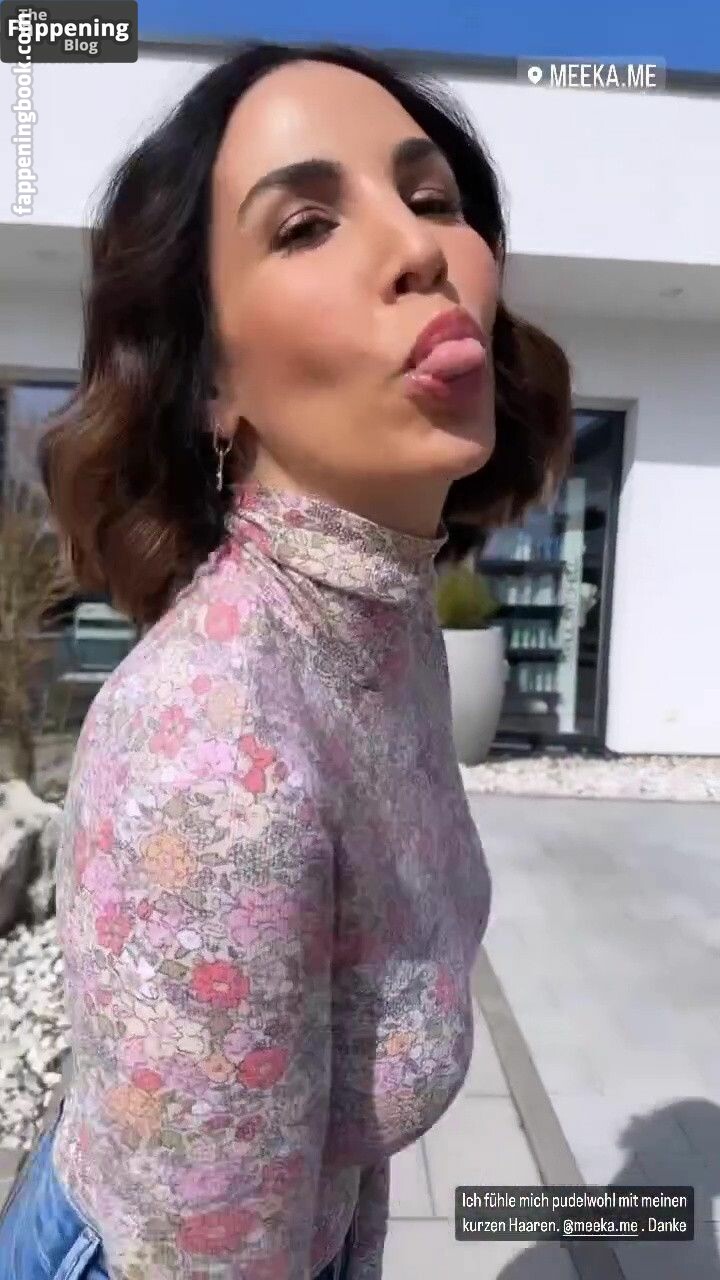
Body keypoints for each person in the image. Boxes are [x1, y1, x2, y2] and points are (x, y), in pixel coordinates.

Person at [0, 41, 571, 1280]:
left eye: (432, 198)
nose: (419, 248)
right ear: (213, 382)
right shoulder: (215, 761)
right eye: (308, 224)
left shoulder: (377, 624)